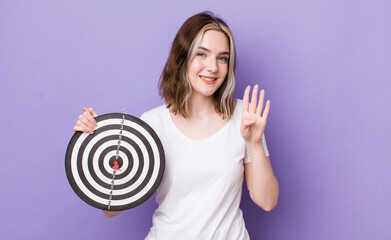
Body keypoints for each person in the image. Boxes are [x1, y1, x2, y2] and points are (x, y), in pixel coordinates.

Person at [73, 11, 279, 240]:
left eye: (222, 58)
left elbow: (267, 201)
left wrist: (255, 143)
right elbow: (111, 210)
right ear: (183, 58)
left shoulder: (244, 117)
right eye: (202, 54)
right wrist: (100, 142)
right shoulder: (154, 123)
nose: (213, 67)